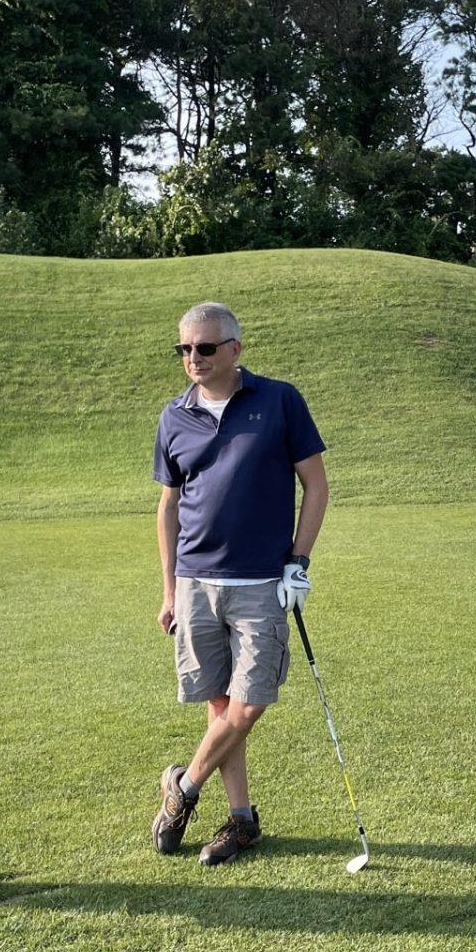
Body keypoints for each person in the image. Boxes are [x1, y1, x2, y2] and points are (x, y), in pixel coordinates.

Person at [151, 302, 328, 865]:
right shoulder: (174, 416)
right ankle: (242, 821)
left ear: (235, 348)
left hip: (259, 582)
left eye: (205, 347)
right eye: (185, 349)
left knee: (248, 706)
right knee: (220, 706)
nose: (194, 358)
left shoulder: (280, 400)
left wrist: (299, 561)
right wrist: (168, 588)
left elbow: (317, 486)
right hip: (195, 581)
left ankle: (182, 789)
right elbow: (168, 507)